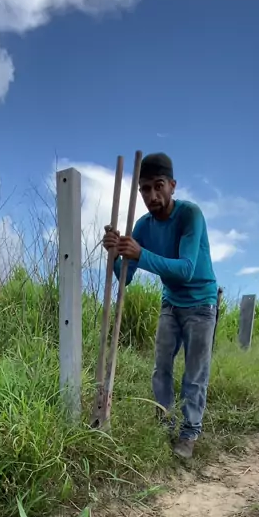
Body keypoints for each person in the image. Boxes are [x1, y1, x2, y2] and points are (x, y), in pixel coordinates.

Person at [103, 152, 218, 460]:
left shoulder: (190, 215)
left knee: (194, 374)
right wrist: (115, 253)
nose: (152, 196)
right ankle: (164, 424)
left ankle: (189, 434)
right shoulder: (143, 226)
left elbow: (186, 269)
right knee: (161, 368)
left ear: (172, 185)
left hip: (201, 304)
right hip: (171, 303)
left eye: (158, 186)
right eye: (145, 189)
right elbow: (125, 277)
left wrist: (140, 254)